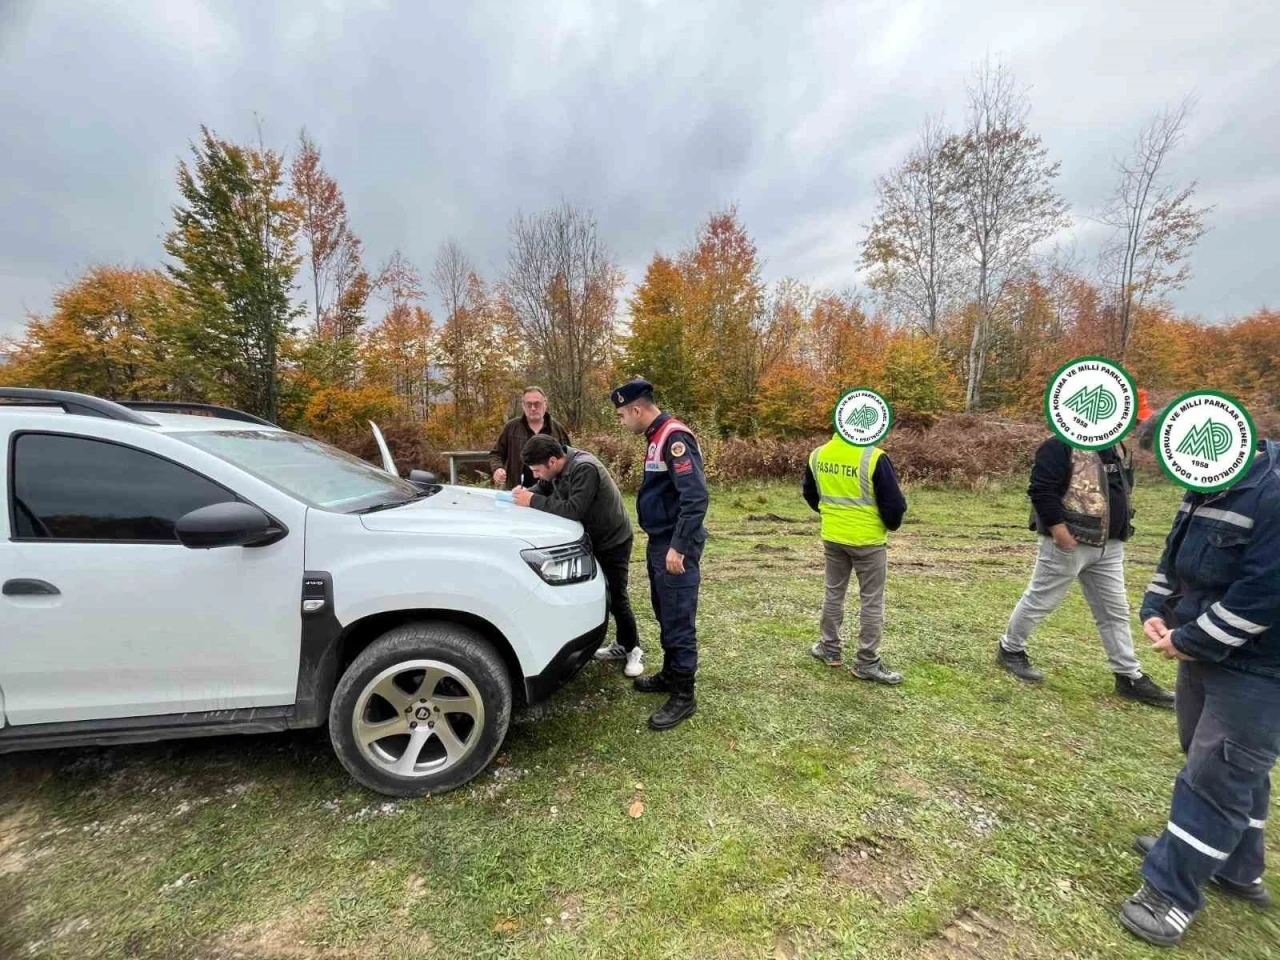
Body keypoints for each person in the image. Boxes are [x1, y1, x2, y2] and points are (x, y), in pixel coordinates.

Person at [1120, 430, 1280, 947]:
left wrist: (1192, 640)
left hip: (1260, 666)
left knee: (1216, 774)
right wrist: (1156, 609)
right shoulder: (1206, 483)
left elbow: (1265, 593)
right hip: (1202, 650)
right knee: (1220, 764)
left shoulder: (1273, 493)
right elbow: (1176, 556)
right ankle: (1234, 864)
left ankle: (1169, 892)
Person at [995, 431, 1174, 707]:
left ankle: (1129, 676)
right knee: (1041, 599)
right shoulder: (1059, 445)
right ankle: (1010, 649)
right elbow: (1041, 490)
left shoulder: (1117, 447)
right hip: (1069, 542)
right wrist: (1059, 532)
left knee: (1115, 610)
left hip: (1110, 545)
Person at [612, 377, 708, 731]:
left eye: (622, 416)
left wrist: (679, 546)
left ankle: (684, 696)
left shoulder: (674, 437)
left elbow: (695, 498)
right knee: (665, 612)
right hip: (660, 542)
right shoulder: (656, 437)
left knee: (679, 617)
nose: (623, 422)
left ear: (637, 409)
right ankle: (670, 674)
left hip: (673, 545)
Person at [514, 436, 644, 678]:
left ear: (552, 461)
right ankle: (620, 644)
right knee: (599, 595)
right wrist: (525, 493)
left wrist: (531, 500)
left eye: (537, 470)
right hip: (591, 540)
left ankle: (632, 648)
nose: (536, 475)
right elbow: (541, 489)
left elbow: (573, 509)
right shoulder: (555, 471)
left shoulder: (585, 468)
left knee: (616, 595)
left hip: (613, 540)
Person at [802, 431, 908, 684]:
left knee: (833, 592)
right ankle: (866, 662)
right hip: (868, 540)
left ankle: (829, 648)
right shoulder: (874, 457)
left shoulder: (818, 455)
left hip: (833, 536)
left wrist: (832, 514)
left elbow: (810, 493)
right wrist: (889, 525)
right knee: (871, 600)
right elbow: (894, 506)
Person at [488, 387, 570, 490]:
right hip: (517, 489)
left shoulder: (557, 429)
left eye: (537, 404)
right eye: (528, 404)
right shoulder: (511, 427)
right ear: (523, 405)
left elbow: (567, 459)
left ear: (545, 404)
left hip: (550, 493)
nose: (533, 408)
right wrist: (497, 468)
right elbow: (496, 454)